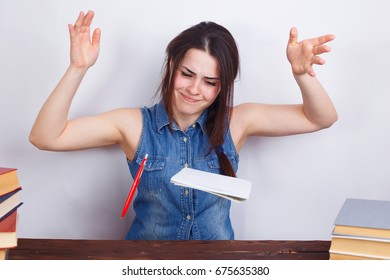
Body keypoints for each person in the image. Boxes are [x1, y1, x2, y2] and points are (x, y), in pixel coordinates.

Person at [29, 10, 337, 240]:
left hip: (218, 267)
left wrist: (301, 75)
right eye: (187, 74)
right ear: (172, 65)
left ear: (222, 87)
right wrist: (77, 68)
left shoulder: (237, 122)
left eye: (210, 82)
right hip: (147, 265)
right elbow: (46, 137)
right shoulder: (134, 124)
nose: (194, 90)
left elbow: (320, 118)